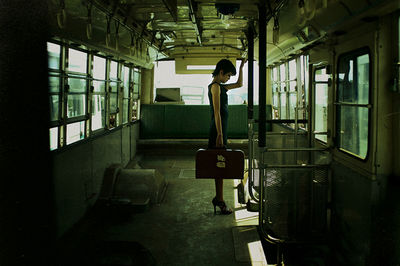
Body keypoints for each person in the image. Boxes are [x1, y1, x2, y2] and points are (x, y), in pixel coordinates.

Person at [208, 58, 245, 215]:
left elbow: (239, 84)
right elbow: (216, 112)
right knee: (220, 166)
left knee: (220, 166)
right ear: (221, 72)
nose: (229, 79)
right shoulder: (215, 87)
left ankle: (219, 198)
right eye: (228, 75)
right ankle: (220, 200)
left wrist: (242, 66)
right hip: (217, 131)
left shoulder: (221, 87)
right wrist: (220, 135)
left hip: (221, 129)